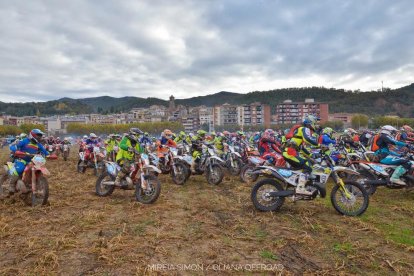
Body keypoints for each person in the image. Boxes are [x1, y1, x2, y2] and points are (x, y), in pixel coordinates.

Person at [282, 115, 319, 195]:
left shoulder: (300, 130)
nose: (316, 125)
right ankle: (300, 188)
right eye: (315, 123)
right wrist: (318, 144)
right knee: (307, 166)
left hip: (289, 152)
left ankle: (294, 184)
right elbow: (307, 139)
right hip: (290, 153)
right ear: (310, 122)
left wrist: (312, 155)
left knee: (304, 165)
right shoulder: (305, 129)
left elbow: (301, 148)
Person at [8, 129, 49, 194]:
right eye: (38, 135)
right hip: (21, 159)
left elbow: (44, 151)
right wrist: (15, 150)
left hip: (32, 161)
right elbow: (13, 145)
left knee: (39, 168)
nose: (40, 137)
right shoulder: (24, 141)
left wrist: (49, 155)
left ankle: (32, 183)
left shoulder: (38, 144)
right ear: (33, 135)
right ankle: (11, 185)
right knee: (19, 170)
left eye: (40, 136)